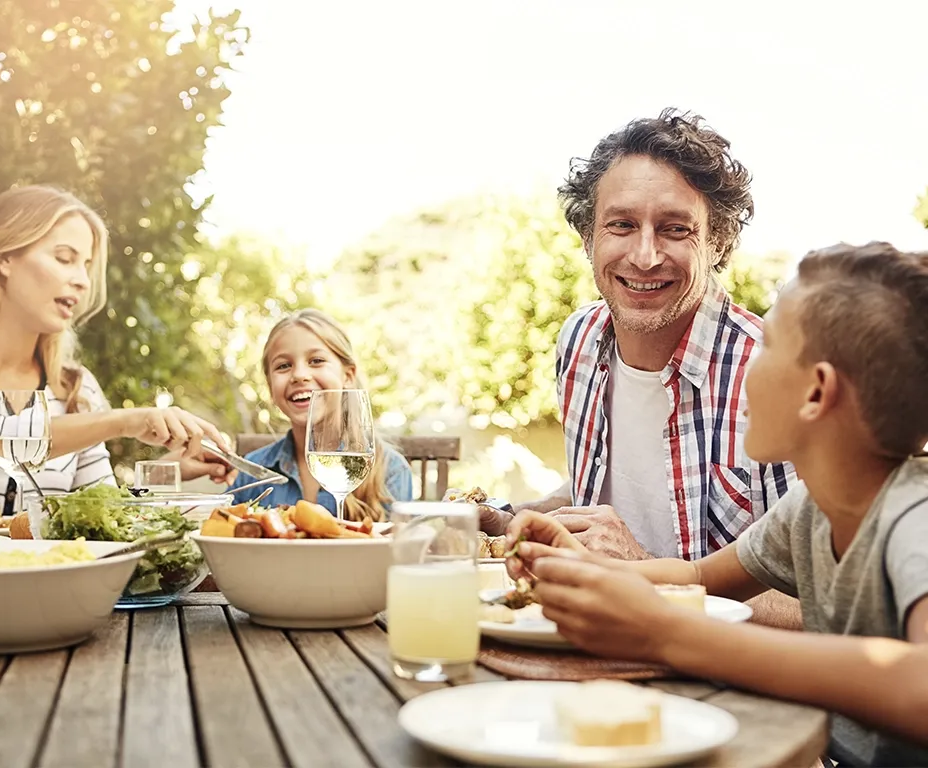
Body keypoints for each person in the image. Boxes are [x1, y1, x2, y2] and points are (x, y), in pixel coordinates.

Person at [506, 242, 928, 766]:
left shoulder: (916, 519)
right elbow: (695, 579)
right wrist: (573, 562)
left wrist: (671, 634)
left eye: (768, 346)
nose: (748, 361)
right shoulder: (808, 512)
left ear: (816, 393)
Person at [480, 108, 795, 568]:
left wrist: (642, 569)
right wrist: (506, 518)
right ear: (588, 238)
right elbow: (617, 491)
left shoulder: (781, 374)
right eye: (622, 225)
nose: (645, 257)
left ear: (718, 244)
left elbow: (831, 606)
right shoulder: (580, 341)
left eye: (675, 228)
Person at [0, 185, 233, 515]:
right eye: (64, 258)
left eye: (86, 265)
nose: (83, 281)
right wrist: (123, 421)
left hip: (45, 570)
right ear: (4, 257)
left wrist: (164, 473)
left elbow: (103, 511)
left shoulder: (77, 388)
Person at [226, 309, 413, 521]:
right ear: (270, 388)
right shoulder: (253, 471)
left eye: (316, 361)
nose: (299, 375)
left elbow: (398, 550)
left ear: (348, 376)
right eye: (283, 366)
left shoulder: (389, 470)